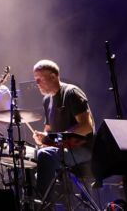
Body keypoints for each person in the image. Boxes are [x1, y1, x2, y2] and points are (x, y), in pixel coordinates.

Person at [31, 59, 95, 203]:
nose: (37, 84)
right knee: (30, 154)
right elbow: (49, 131)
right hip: (63, 148)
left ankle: (44, 203)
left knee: (45, 154)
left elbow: (86, 127)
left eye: (39, 79)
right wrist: (43, 137)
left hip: (82, 149)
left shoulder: (71, 93)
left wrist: (56, 139)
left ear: (53, 77)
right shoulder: (47, 100)